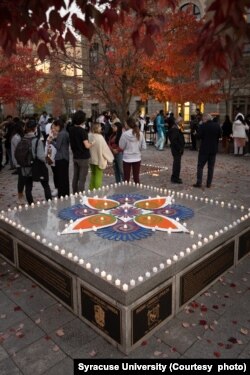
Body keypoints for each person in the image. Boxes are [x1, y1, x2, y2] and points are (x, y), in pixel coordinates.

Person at [20, 120, 52, 204]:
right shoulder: (37, 141)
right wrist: (47, 158)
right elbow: (40, 156)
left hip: (25, 167)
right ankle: (50, 203)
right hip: (37, 167)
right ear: (35, 128)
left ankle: (31, 204)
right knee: (46, 186)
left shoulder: (22, 139)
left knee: (28, 187)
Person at [193, 113, 221, 188]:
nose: (202, 120)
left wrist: (195, 134)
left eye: (203, 119)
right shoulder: (217, 125)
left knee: (200, 166)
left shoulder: (203, 126)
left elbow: (199, 137)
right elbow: (220, 135)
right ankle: (208, 184)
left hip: (204, 149)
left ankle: (199, 182)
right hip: (213, 149)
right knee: (211, 167)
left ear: (205, 119)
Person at [68, 110, 94, 194]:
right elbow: (87, 145)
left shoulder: (71, 129)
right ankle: (80, 195)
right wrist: (92, 143)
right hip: (83, 157)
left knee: (75, 176)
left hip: (75, 156)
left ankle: (75, 193)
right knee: (82, 178)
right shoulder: (82, 131)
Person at [119, 117, 146, 184]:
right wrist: (138, 149)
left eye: (125, 124)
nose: (124, 125)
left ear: (128, 124)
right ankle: (137, 192)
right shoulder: (140, 133)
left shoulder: (125, 134)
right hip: (137, 157)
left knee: (126, 178)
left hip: (127, 158)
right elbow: (144, 147)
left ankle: (126, 192)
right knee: (136, 178)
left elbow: (121, 146)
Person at [89, 122, 114, 190]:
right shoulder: (100, 137)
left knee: (93, 175)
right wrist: (110, 158)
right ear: (97, 128)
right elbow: (105, 149)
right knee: (98, 176)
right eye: (100, 127)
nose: (101, 128)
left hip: (91, 159)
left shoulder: (89, 135)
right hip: (98, 159)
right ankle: (97, 191)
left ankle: (91, 190)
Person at [50, 118, 70, 197]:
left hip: (61, 158)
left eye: (55, 127)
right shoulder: (65, 132)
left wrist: (51, 141)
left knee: (61, 178)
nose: (54, 128)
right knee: (65, 177)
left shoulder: (61, 134)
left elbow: (58, 147)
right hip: (65, 157)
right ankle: (65, 193)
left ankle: (62, 194)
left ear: (58, 126)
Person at [11, 121, 25, 203]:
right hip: (18, 160)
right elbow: (19, 150)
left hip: (18, 160)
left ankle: (21, 195)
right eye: (23, 127)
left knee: (22, 178)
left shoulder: (17, 136)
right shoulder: (16, 138)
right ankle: (20, 196)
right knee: (21, 179)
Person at [168, 117, 185, 184]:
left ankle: (176, 177)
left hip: (177, 149)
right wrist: (179, 148)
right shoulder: (175, 129)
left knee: (177, 163)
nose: (182, 123)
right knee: (177, 164)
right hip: (176, 150)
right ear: (179, 122)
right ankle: (175, 177)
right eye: (182, 122)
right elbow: (174, 140)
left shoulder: (176, 128)